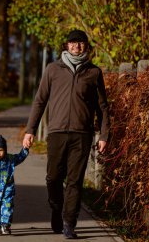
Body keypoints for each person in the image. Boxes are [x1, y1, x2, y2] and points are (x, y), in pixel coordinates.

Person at [22, 29, 110, 239]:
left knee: (74, 181)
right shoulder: (53, 69)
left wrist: (105, 135)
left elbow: (103, 108)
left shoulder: (94, 72)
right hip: (57, 133)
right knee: (53, 178)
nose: (76, 46)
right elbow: (40, 101)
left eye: (80, 43)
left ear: (86, 46)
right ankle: (56, 209)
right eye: (72, 43)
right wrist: (30, 130)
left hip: (82, 135)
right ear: (66, 46)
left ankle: (69, 222)